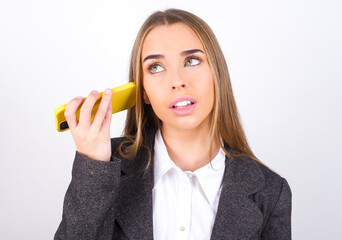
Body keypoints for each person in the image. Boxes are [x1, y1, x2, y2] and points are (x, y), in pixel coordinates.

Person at [55, 8, 292, 240]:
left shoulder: (271, 192)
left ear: (216, 74)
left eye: (191, 60)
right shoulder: (106, 168)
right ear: (144, 91)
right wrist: (94, 167)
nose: (177, 81)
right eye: (155, 68)